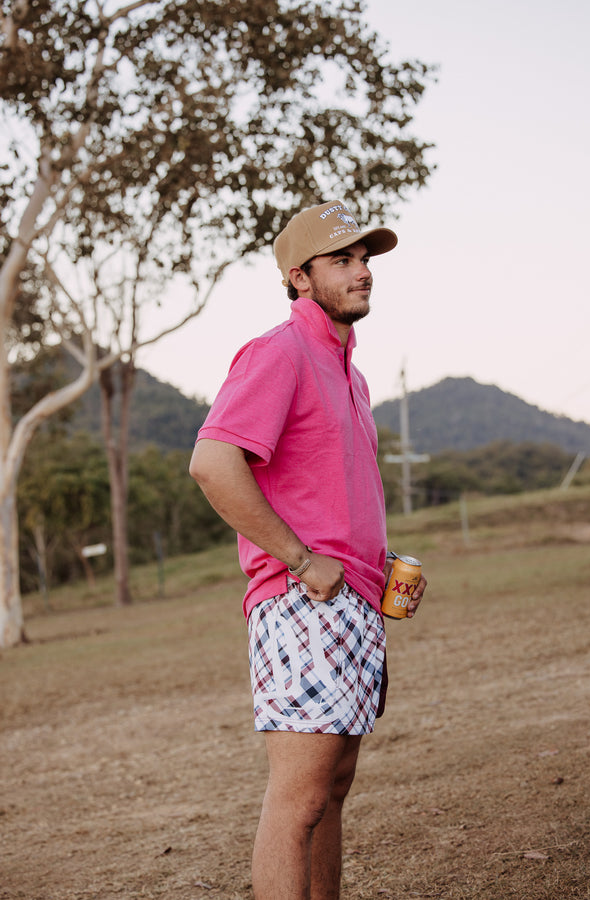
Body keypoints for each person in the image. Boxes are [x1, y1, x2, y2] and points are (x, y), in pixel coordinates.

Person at [189, 199, 427, 900]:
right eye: (344, 261)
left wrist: (374, 564)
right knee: (297, 802)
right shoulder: (279, 352)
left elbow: (329, 492)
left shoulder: (349, 374)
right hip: (303, 605)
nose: (363, 273)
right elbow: (212, 463)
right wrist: (299, 558)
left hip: (354, 603)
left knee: (331, 792)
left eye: (365, 260)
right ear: (299, 277)